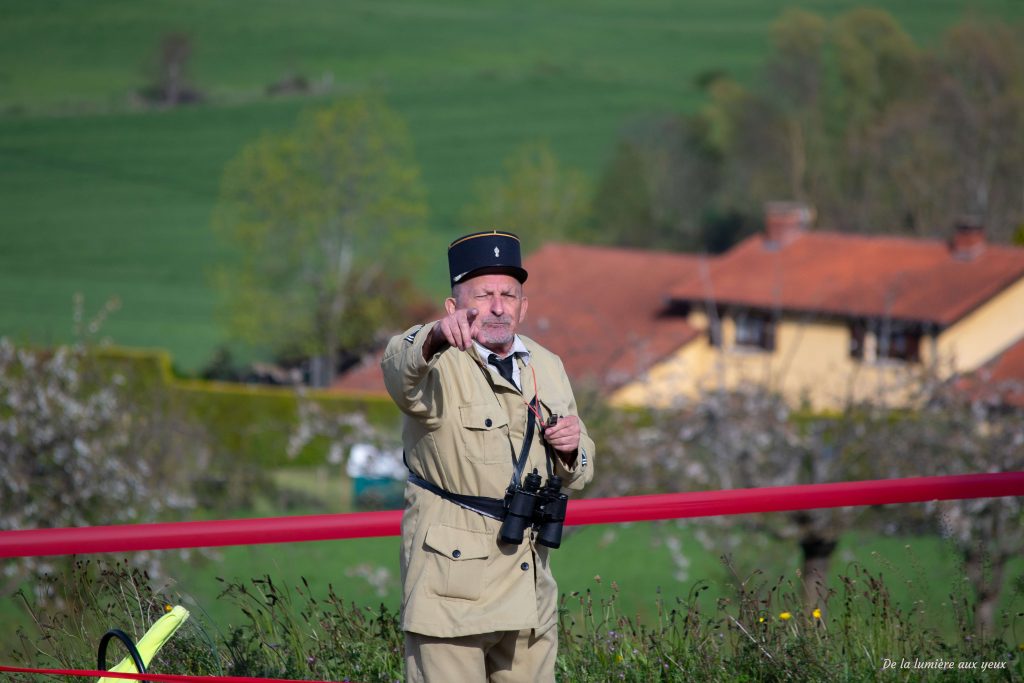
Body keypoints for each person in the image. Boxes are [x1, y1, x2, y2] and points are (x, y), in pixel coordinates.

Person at [381, 230, 595, 682]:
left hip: (529, 585)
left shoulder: (546, 364)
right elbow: (397, 365)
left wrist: (574, 447)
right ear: (453, 307)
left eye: (509, 295)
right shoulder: (435, 361)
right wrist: (434, 337)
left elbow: (580, 469)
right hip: (452, 590)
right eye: (483, 295)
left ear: (523, 307)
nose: (498, 306)